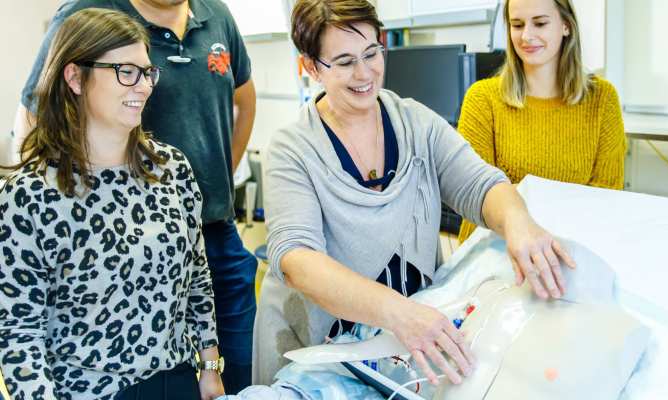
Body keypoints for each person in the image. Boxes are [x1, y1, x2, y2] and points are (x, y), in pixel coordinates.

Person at [253, 0, 577, 386]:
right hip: (321, 350)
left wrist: (518, 223)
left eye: (371, 53)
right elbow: (298, 259)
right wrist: (400, 314)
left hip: (403, 347)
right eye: (343, 62)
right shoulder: (293, 149)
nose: (364, 73)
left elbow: (481, 184)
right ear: (309, 67)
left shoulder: (416, 124)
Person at [12, 0, 258, 391]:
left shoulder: (173, 170)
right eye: (127, 73)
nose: (144, 87)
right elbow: (20, 333)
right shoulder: (32, 197)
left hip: (176, 371)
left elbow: (197, 277)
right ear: (75, 78)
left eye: (147, 73)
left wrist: (210, 365)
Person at [457, 0, 627, 242]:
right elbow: (477, 199)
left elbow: (605, 202)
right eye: (517, 25)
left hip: (577, 250)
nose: (526, 36)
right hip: (498, 252)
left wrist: (515, 194)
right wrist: (568, 199)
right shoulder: (483, 99)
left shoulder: (602, 99)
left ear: (566, 25)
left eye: (540, 23)